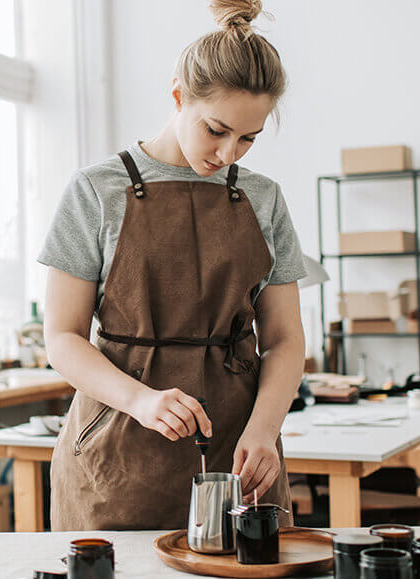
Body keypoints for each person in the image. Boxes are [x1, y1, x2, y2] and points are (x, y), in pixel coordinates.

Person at [38, 0, 323, 531]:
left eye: (248, 139)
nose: (228, 153)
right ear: (177, 96)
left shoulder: (264, 199)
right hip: (117, 446)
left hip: (239, 445)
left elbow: (284, 338)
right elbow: (62, 338)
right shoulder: (95, 191)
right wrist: (141, 400)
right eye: (216, 129)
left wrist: (264, 431)